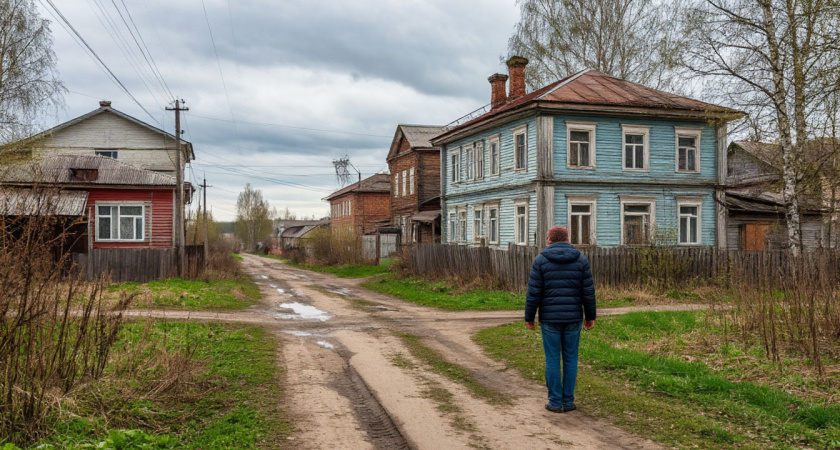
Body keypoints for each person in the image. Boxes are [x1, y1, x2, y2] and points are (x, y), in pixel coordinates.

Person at [525, 226, 596, 413]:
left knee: (553, 359)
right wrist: (590, 316)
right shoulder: (581, 260)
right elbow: (588, 292)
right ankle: (569, 401)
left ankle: (555, 402)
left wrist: (529, 317)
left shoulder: (541, 260)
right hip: (573, 318)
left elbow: (533, 293)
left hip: (549, 319)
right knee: (571, 359)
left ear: (549, 239)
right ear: (567, 238)